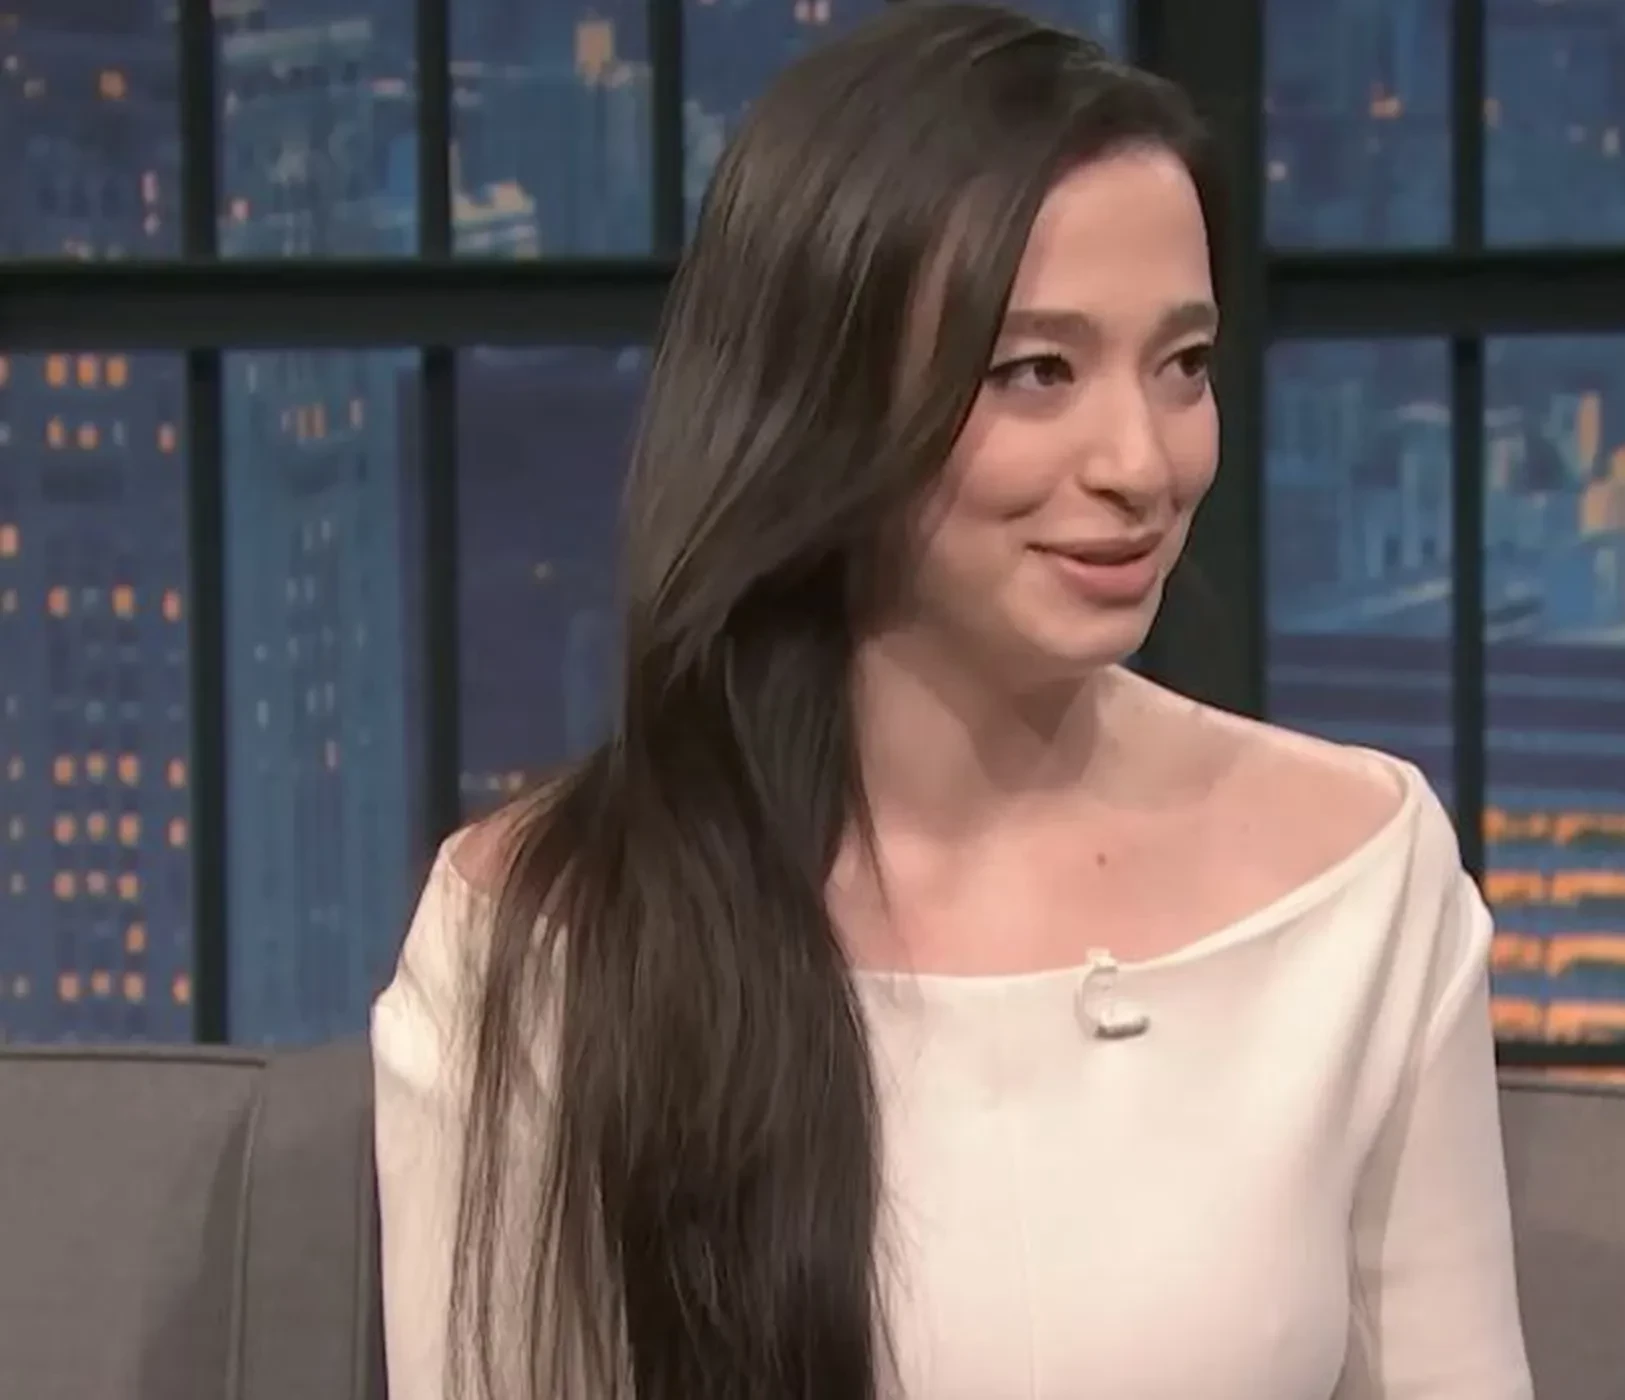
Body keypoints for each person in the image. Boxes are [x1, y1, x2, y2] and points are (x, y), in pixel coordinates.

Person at [371, 4, 1535, 1398]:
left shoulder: (1359, 878)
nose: (1141, 463)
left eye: (1182, 365)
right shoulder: (544, 940)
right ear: (819, 405)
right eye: (1036, 372)